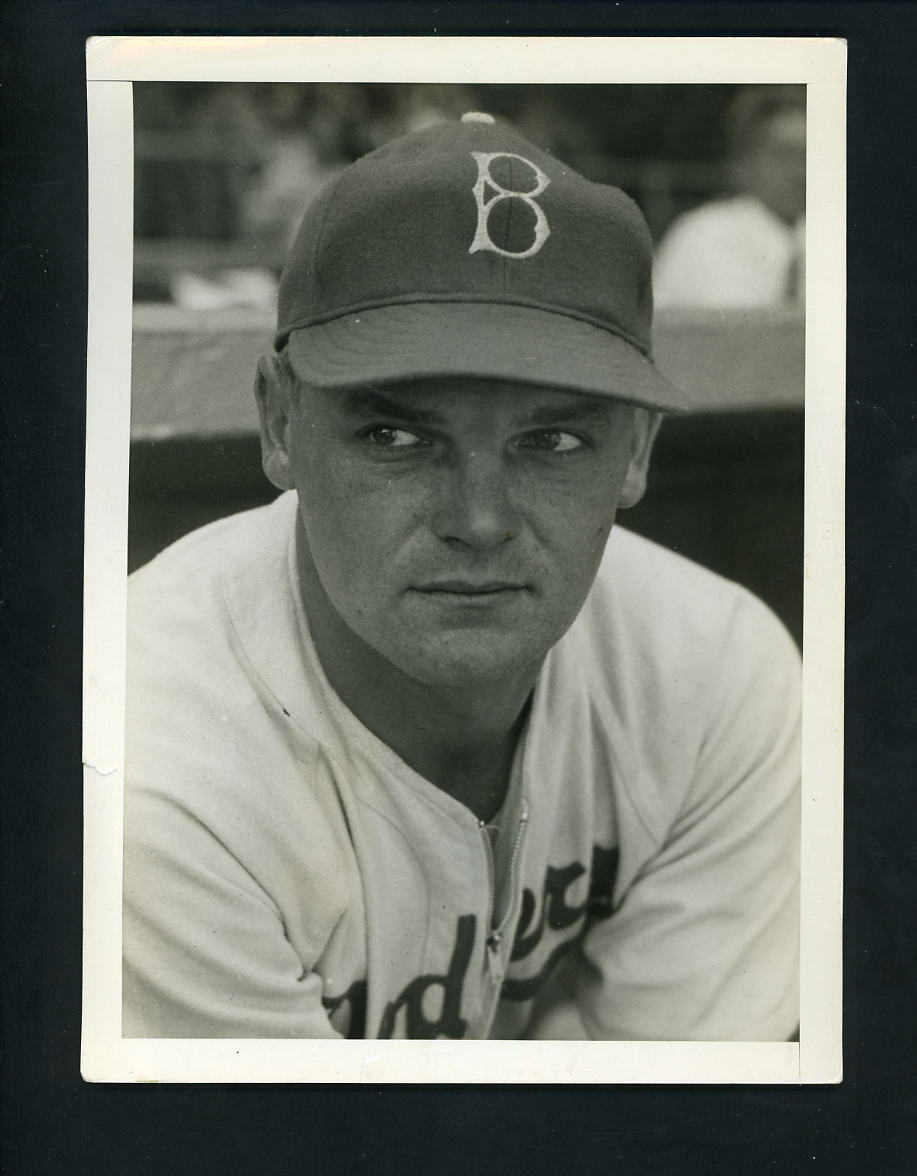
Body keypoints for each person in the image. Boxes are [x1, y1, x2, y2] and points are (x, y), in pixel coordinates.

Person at [123, 113, 800, 1041]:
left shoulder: (716, 673)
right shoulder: (148, 764)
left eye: (552, 440)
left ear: (636, 451)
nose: (478, 521)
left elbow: (675, 1127)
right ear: (280, 422)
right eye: (396, 437)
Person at [653, 87, 806, 309]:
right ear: (746, 161)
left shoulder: (839, 239)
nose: (799, 172)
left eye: (808, 155)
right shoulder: (700, 236)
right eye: (783, 154)